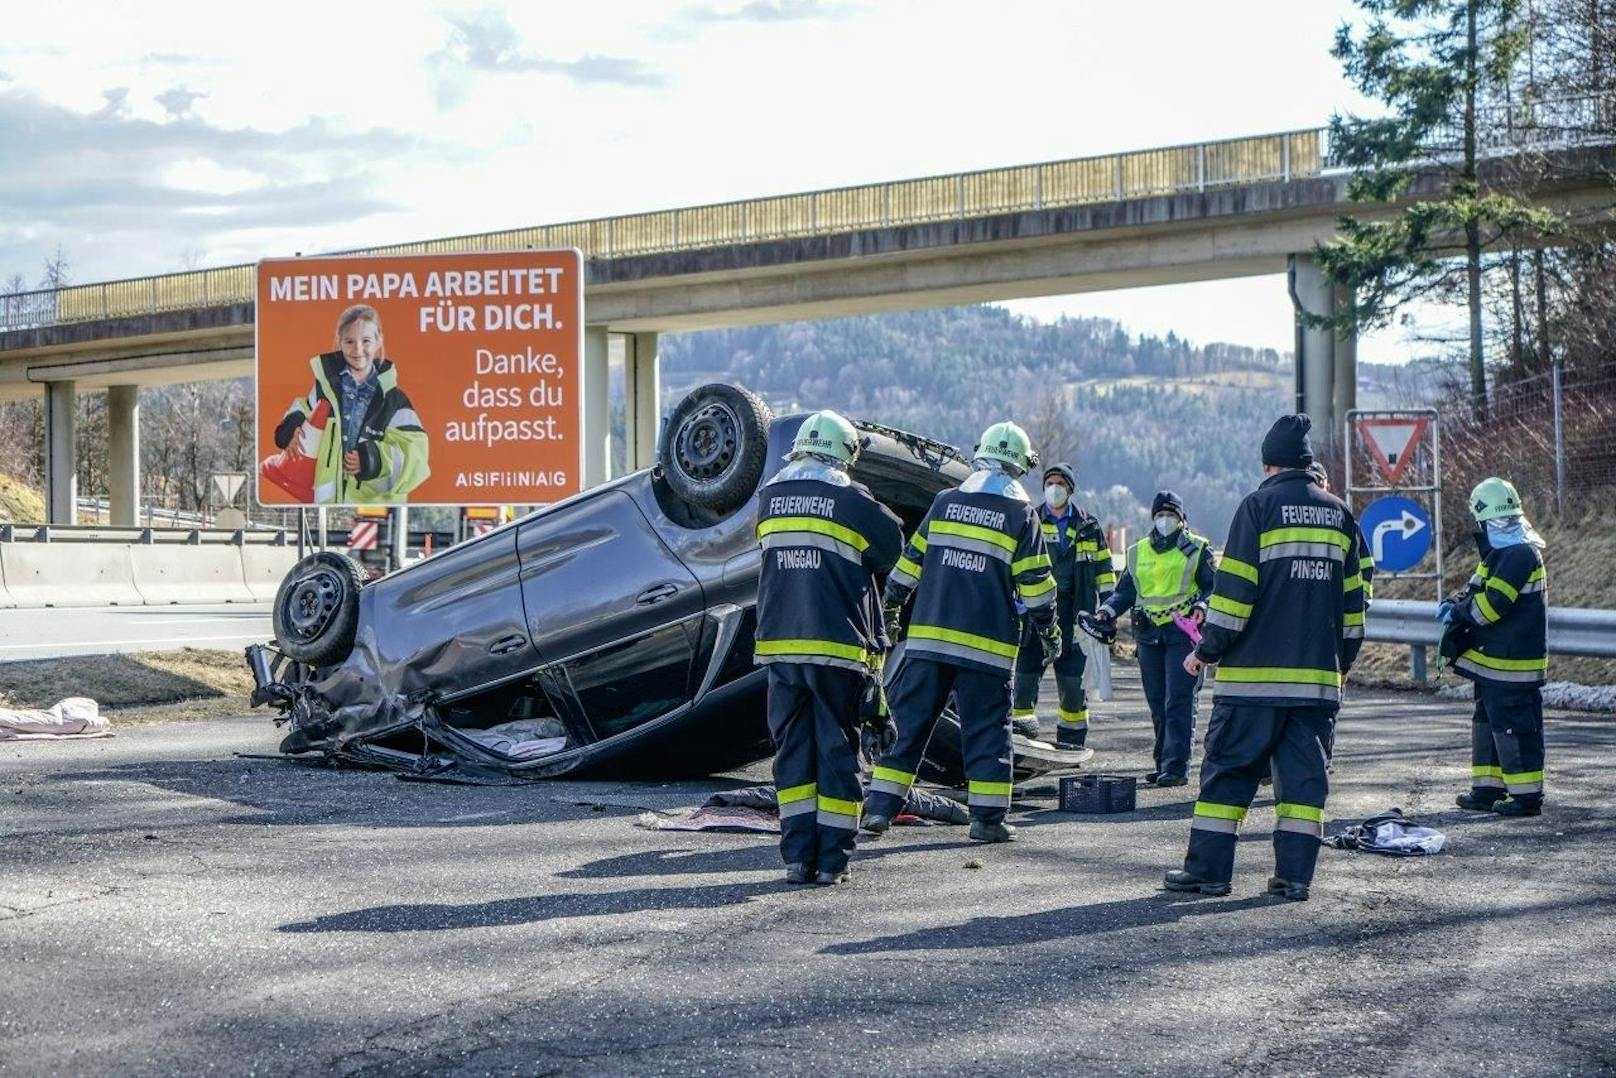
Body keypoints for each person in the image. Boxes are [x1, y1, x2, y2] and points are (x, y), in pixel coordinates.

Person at [1164, 415, 1367, 902]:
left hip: (1252, 685)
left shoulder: (1257, 507)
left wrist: (1205, 650)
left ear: (1267, 463)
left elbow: (1233, 600)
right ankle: (1294, 877)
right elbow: (1355, 610)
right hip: (1316, 686)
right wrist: (1339, 665)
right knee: (1302, 786)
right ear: (1307, 463)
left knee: (1229, 775)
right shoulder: (1340, 515)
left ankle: (1210, 873)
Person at [863, 421, 1059, 844]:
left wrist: (892, 609)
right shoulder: (1020, 514)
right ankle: (987, 821)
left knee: (907, 726)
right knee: (988, 733)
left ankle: (878, 809)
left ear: (981, 455)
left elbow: (907, 566)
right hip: (986, 651)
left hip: (928, 642)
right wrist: (1050, 633)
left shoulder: (944, 502)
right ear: (1018, 468)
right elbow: (1038, 588)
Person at [753, 411, 904, 885]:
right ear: (845, 453)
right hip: (837, 648)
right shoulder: (851, 500)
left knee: (792, 752)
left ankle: (798, 857)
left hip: (778, 646)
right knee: (838, 751)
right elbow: (892, 548)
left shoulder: (769, 498)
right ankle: (833, 861)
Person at [1093, 491, 1215, 787]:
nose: (1164, 520)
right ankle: (1162, 762)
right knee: (1157, 702)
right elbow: (1126, 591)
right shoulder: (1138, 552)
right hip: (1148, 634)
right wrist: (1108, 610)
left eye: (1171, 515)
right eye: (1160, 515)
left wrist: (1202, 606)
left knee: (1179, 700)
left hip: (1182, 633)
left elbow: (1213, 588)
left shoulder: (1198, 549)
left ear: (1182, 520)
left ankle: (1175, 767)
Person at [1443, 477, 1548, 817]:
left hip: (1512, 664)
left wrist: (1458, 613)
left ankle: (1526, 797)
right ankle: (1487, 790)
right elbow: (1477, 592)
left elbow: (1492, 606)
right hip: (1494, 663)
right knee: (1487, 723)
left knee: (1514, 726)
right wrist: (1456, 602)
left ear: (1488, 520)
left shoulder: (1518, 554)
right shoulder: (1502, 553)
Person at [272, 304, 430, 504]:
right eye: (349, 341)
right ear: (339, 342)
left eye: (366, 341)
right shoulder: (326, 388)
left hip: (375, 509)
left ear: (378, 341)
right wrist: (293, 427)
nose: (358, 350)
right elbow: (303, 409)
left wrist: (375, 460)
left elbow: (416, 457)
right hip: (327, 508)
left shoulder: (395, 400)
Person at [1009, 463, 1115, 748]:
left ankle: (1071, 745)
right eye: (1049, 482)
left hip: (1075, 616)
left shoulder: (1089, 527)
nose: (1053, 488)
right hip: (1036, 615)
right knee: (1023, 686)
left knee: (1073, 689)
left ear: (1070, 489)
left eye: (1059, 483)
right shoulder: (1031, 519)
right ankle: (1018, 745)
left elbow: (1105, 573)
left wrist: (1109, 610)